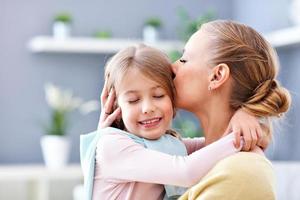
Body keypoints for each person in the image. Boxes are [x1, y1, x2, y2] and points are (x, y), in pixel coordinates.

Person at [80, 44, 265, 200]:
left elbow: (213, 144)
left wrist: (243, 115)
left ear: (172, 98)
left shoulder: (166, 145)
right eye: (133, 100)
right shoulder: (111, 146)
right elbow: (186, 172)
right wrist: (240, 137)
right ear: (116, 107)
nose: (147, 108)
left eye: (158, 96)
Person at [168, 20, 290, 199]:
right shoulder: (203, 158)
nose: (172, 66)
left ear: (217, 76)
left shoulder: (242, 174)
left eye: (184, 59)